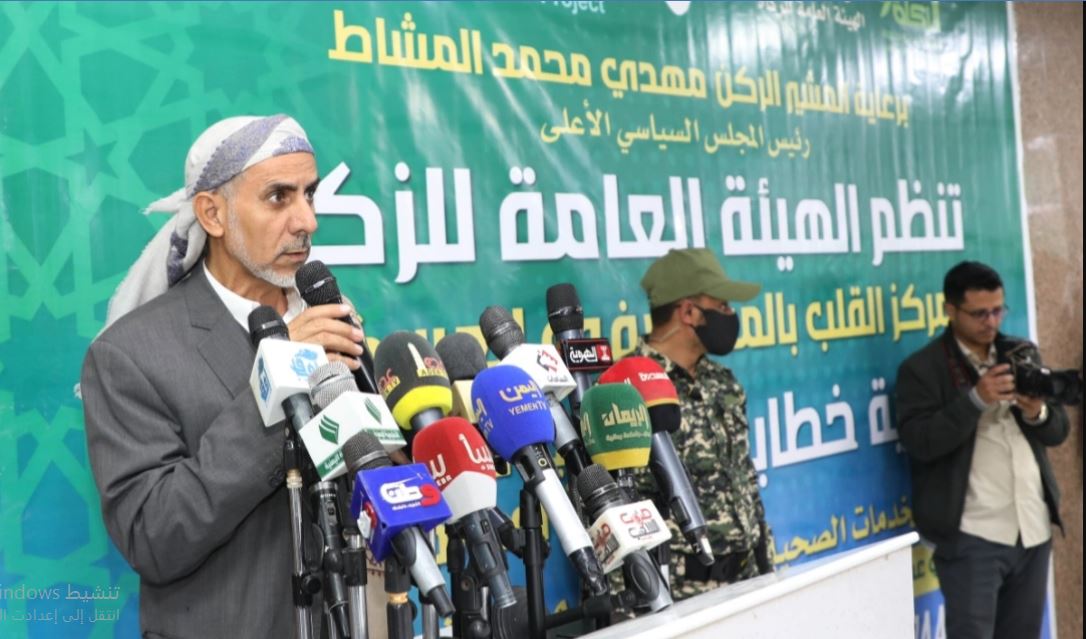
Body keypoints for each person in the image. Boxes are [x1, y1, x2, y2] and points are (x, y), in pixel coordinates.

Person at [80, 115, 365, 638]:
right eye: (279, 197)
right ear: (212, 214)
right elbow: (154, 536)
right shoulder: (130, 354)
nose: (307, 220)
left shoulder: (331, 317)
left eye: (309, 194)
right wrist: (281, 380)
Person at [896, 260, 1069, 639]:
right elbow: (920, 441)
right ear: (950, 309)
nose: (991, 322)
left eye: (997, 310)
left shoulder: (1020, 352)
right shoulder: (922, 369)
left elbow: (1058, 431)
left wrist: (1036, 412)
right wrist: (976, 400)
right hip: (973, 535)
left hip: (1032, 527)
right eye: (979, 314)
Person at [634, 248, 774, 599]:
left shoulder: (722, 381)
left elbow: (744, 476)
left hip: (749, 581)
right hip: (683, 594)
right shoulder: (628, 387)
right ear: (688, 312)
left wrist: (765, 564)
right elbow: (619, 507)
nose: (730, 315)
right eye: (722, 305)